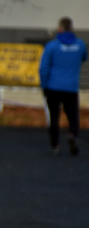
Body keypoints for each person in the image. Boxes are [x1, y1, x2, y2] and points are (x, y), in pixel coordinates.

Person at [39, 16, 87, 156]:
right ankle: (72, 135)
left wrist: (44, 85)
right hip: (71, 88)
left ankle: (55, 145)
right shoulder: (80, 44)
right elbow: (84, 57)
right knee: (73, 116)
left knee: (54, 117)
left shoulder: (52, 46)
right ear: (72, 28)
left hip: (53, 87)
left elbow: (44, 68)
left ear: (59, 28)